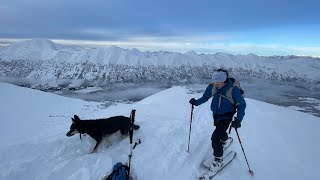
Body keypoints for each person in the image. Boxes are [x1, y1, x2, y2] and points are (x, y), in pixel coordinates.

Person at [189, 69, 246, 171]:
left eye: (218, 83)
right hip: (216, 115)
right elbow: (205, 97)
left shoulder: (233, 90)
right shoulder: (212, 87)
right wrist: (196, 102)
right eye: (214, 82)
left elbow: (242, 105)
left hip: (227, 116)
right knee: (220, 130)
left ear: (225, 81)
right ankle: (224, 139)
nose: (216, 85)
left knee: (215, 138)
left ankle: (218, 159)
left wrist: (238, 120)